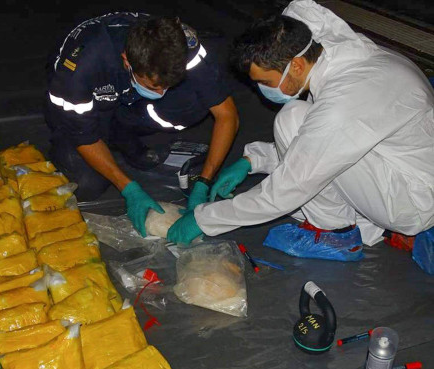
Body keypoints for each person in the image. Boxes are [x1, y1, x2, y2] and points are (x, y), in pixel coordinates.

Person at [167, 0, 434, 266]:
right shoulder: (348, 60)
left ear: (295, 65)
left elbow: (289, 187)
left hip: (411, 202)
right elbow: (329, 140)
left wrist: (205, 219)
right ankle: (353, 221)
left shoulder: (344, 101)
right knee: (298, 119)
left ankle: (335, 234)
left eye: (265, 82)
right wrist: (252, 161)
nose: (263, 90)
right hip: (404, 170)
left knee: (291, 119)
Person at [45, 12, 239, 237]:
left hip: (127, 94)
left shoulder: (182, 46)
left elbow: (226, 114)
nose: (161, 92)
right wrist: (129, 189)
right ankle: (98, 136)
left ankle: (121, 132)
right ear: (127, 60)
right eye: (154, 86)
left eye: (167, 85)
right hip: (87, 102)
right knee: (87, 183)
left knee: (191, 103)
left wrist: (205, 181)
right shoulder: (80, 68)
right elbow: (83, 135)